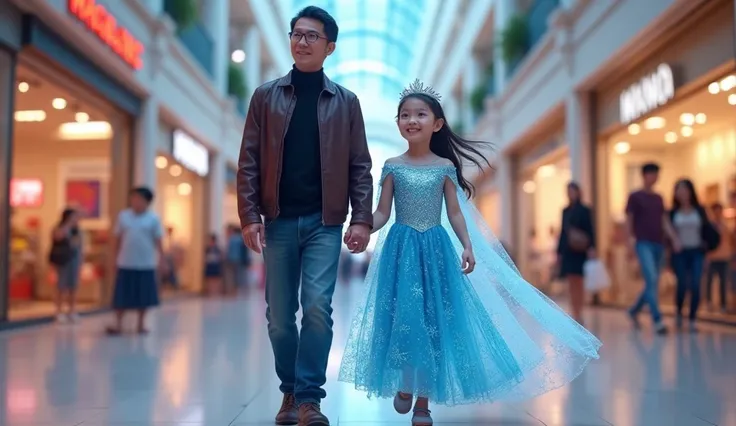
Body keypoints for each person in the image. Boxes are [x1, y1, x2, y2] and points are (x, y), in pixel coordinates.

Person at [338, 80, 601, 426]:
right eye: (404, 115)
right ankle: (405, 382)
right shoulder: (391, 165)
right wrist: (362, 226)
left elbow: (455, 212)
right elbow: (384, 212)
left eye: (420, 114)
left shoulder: (444, 168)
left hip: (435, 251)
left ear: (437, 124)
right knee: (403, 319)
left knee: (434, 323)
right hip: (400, 252)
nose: (411, 120)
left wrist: (467, 245)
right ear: (398, 122)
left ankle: (423, 402)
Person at [236, 6, 373, 426]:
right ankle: (289, 391)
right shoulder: (265, 96)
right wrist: (249, 214)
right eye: (297, 34)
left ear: (330, 47)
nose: (302, 41)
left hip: (324, 222)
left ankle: (309, 399)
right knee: (279, 318)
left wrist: (362, 218)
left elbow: (359, 165)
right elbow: (249, 161)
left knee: (316, 307)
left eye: (312, 36)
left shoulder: (346, 102)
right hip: (277, 221)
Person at [625, 163, 675, 335]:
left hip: (659, 244)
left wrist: (673, 238)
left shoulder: (659, 198)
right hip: (643, 243)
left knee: (652, 282)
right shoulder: (635, 197)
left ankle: (633, 310)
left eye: (656, 174)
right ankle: (657, 319)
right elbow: (629, 221)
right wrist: (629, 244)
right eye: (652, 174)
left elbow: (664, 220)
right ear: (644, 175)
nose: (654, 177)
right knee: (652, 278)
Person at [106, 187, 164, 335]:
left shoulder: (153, 219)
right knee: (122, 296)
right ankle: (118, 324)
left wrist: (161, 260)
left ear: (147, 202)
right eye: (134, 198)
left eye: (139, 199)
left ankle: (141, 324)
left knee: (144, 296)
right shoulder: (124, 216)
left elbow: (158, 241)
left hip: (145, 263)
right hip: (126, 262)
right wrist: (114, 258)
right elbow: (117, 238)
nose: (136, 202)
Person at [666, 179, 716, 332]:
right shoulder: (672, 212)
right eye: (679, 189)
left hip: (697, 252)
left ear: (690, 191)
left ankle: (693, 318)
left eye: (685, 189)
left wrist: (706, 254)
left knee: (695, 284)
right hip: (680, 253)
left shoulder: (700, 210)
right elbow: (668, 235)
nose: (682, 192)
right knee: (681, 284)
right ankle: (680, 313)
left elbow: (707, 232)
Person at [556, 181, 596, 324]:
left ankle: (579, 311)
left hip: (580, 250)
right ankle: (575, 311)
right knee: (571, 281)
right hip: (568, 251)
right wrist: (559, 251)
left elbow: (590, 230)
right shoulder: (565, 211)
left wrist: (592, 247)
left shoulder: (585, 210)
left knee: (579, 281)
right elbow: (562, 232)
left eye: (572, 191)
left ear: (578, 192)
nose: (570, 194)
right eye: (568, 191)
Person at [48, 208, 82, 322]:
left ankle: (72, 310)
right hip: (63, 260)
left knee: (73, 286)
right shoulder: (60, 228)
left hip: (74, 259)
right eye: (73, 217)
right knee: (61, 285)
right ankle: (58, 311)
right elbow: (57, 237)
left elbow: (78, 245)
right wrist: (67, 226)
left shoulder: (77, 230)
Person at [705, 203, 730, 313]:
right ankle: (709, 303)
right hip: (712, 257)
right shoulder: (709, 226)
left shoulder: (725, 227)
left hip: (724, 257)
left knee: (723, 282)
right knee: (709, 281)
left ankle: (723, 304)